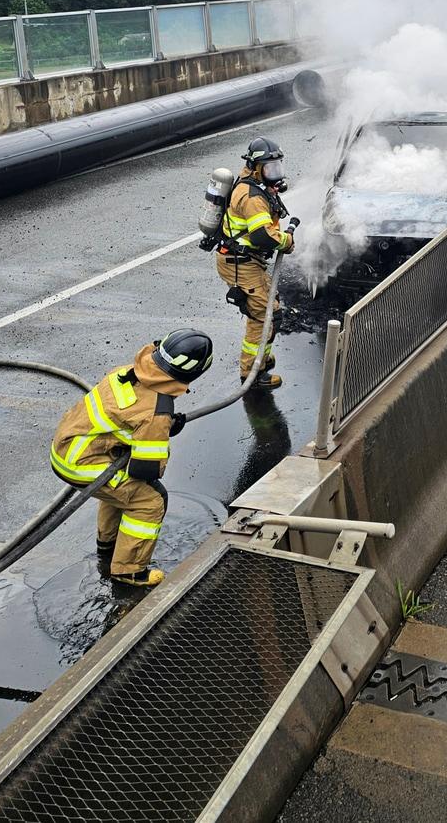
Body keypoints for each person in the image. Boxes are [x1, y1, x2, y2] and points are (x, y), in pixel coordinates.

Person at [50, 329, 213, 588]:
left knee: (121, 488)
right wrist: (160, 430)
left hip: (69, 448)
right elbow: (146, 469)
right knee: (149, 500)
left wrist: (164, 424)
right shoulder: (156, 414)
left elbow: (125, 416)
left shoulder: (128, 372)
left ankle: (109, 545)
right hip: (83, 466)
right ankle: (128, 570)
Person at [214, 137, 294, 388]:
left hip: (248, 260)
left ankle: (262, 359)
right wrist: (287, 241)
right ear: (256, 167)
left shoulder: (256, 187)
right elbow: (262, 235)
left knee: (271, 310)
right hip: (240, 263)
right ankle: (252, 373)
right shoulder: (251, 196)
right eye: (270, 169)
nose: (276, 174)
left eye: (278, 167)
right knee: (263, 316)